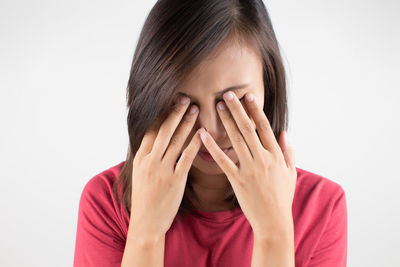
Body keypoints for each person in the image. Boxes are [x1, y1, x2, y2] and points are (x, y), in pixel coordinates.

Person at [73, 0, 347, 266]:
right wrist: (146, 233)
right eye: (185, 105)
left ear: (269, 87)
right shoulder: (106, 203)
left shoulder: (321, 208)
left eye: (233, 101)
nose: (210, 132)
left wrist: (274, 234)